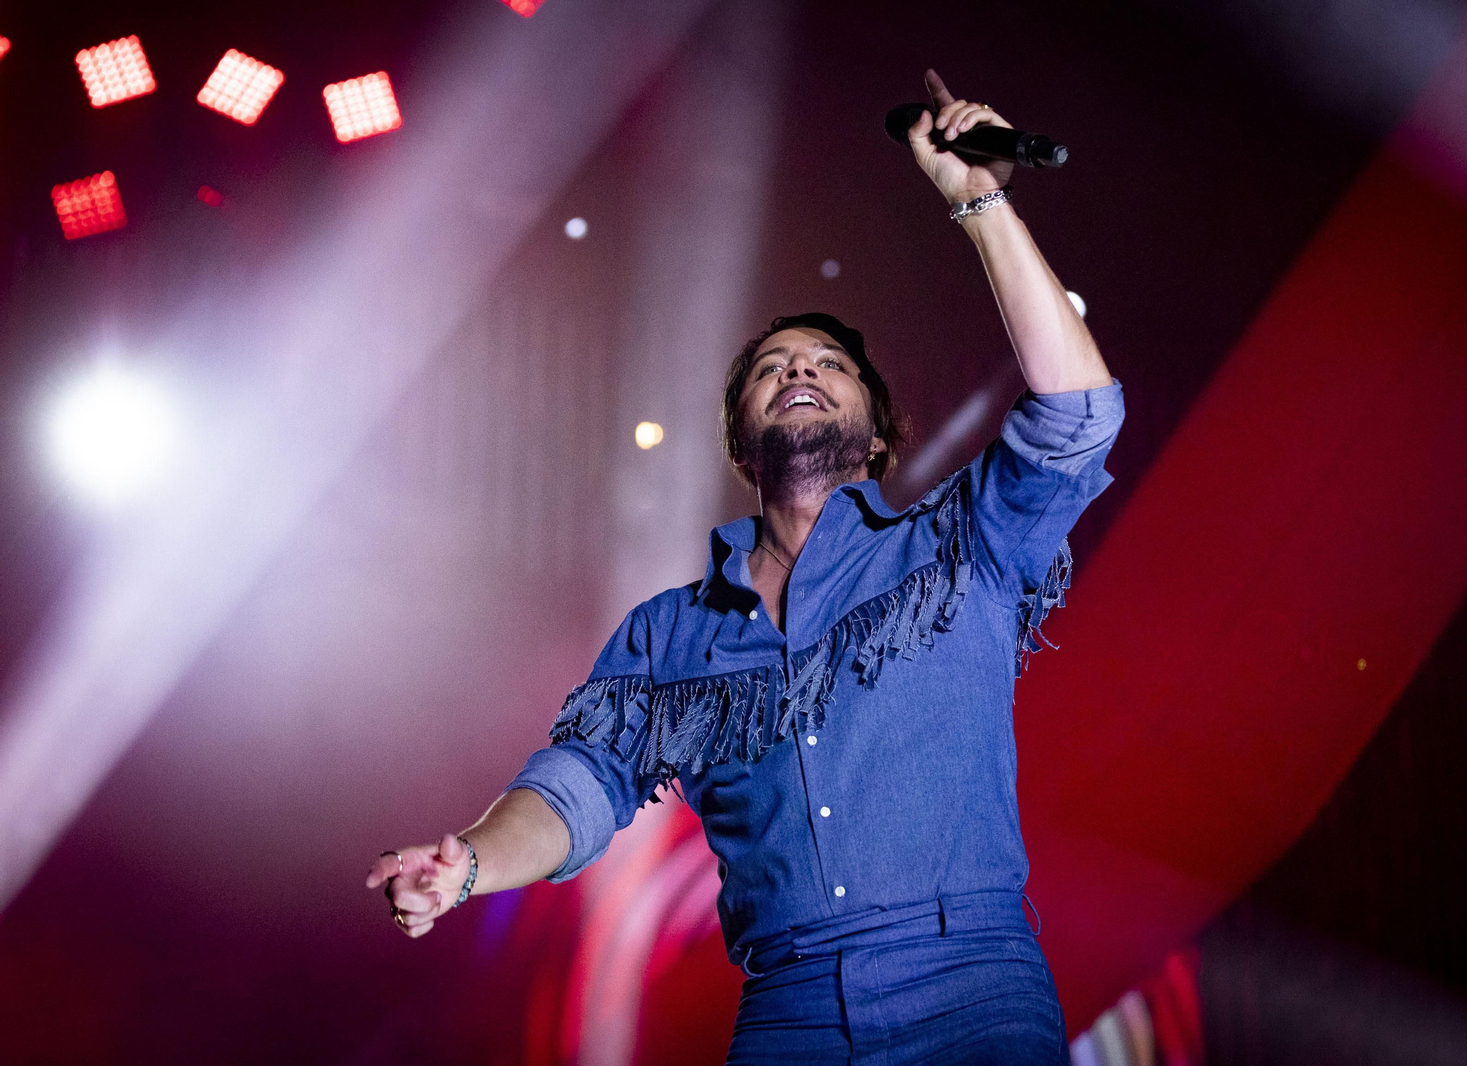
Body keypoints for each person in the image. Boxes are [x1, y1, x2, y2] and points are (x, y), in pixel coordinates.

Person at [367, 68, 1122, 1065]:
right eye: (774, 367)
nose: (800, 369)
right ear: (739, 446)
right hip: (789, 1010)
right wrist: (468, 862)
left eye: (828, 363)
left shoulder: (957, 545)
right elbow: (579, 785)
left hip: (968, 987)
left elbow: (1077, 415)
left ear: (879, 436)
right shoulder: (670, 632)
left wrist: (977, 200)